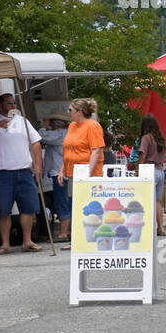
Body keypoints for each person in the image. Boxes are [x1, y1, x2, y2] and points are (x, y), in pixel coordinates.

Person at [0, 93, 43, 253]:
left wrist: (38, 166)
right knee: (3, 209)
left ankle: (27, 241)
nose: (14, 106)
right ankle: (5, 244)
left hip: (24, 171)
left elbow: (35, 142)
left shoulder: (23, 121)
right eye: (9, 103)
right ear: (0, 105)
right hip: (2, 173)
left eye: (15, 103)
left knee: (28, 208)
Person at [58, 99, 104, 251]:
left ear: (79, 112)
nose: (68, 113)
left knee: (89, 206)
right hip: (73, 173)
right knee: (75, 206)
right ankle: (77, 239)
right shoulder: (72, 126)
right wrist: (62, 169)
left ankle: (92, 237)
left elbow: (96, 150)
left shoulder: (92, 125)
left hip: (87, 174)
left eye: (70, 110)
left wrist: (88, 173)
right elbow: (68, 150)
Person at [136, 114, 166, 237]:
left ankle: (145, 229)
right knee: (157, 202)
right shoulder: (159, 139)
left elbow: (142, 155)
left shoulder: (146, 138)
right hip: (160, 171)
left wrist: (138, 170)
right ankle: (160, 227)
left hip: (148, 170)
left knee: (145, 200)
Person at [37, 118, 69, 241]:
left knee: (62, 202)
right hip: (62, 172)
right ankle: (67, 231)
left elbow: (40, 136)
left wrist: (44, 126)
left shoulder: (60, 134)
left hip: (59, 173)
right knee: (64, 201)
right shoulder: (65, 133)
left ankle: (63, 233)